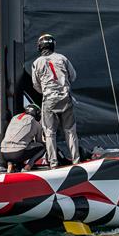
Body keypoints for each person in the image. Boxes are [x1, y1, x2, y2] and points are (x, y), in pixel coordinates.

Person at [31, 33, 80, 168]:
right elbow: (73, 76)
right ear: (53, 45)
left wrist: (47, 91)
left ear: (40, 47)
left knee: (49, 132)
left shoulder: (36, 63)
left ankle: (53, 163)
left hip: (49, 100)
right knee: (70, 131)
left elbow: (35, 85)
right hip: (65, 98)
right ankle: (76, 161)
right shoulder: (62, 58)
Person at [0, 104, 45, 172]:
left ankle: (10, 166)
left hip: (4, 153)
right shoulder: (36, 123)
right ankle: (27, 167)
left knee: (21, 144)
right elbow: (39, 141)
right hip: (18, 153)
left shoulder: (14, 118)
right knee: (43, 147)